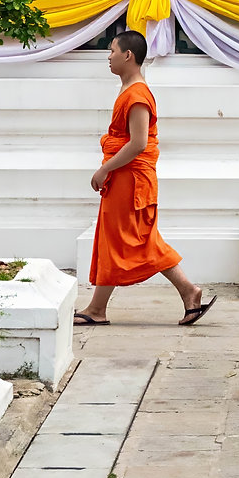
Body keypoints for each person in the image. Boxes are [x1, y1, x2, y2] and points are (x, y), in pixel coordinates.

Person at [76, 29, 216, 327]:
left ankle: (189, 290)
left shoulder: (137, 95)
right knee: (118, 239)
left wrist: (105, 169)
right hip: (125, 178)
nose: (109, 56)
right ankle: (97, 308)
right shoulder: (129, 91)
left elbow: (138, 143)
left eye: (112, 50)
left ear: (128, 55)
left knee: (138, 241)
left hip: (131, 181)